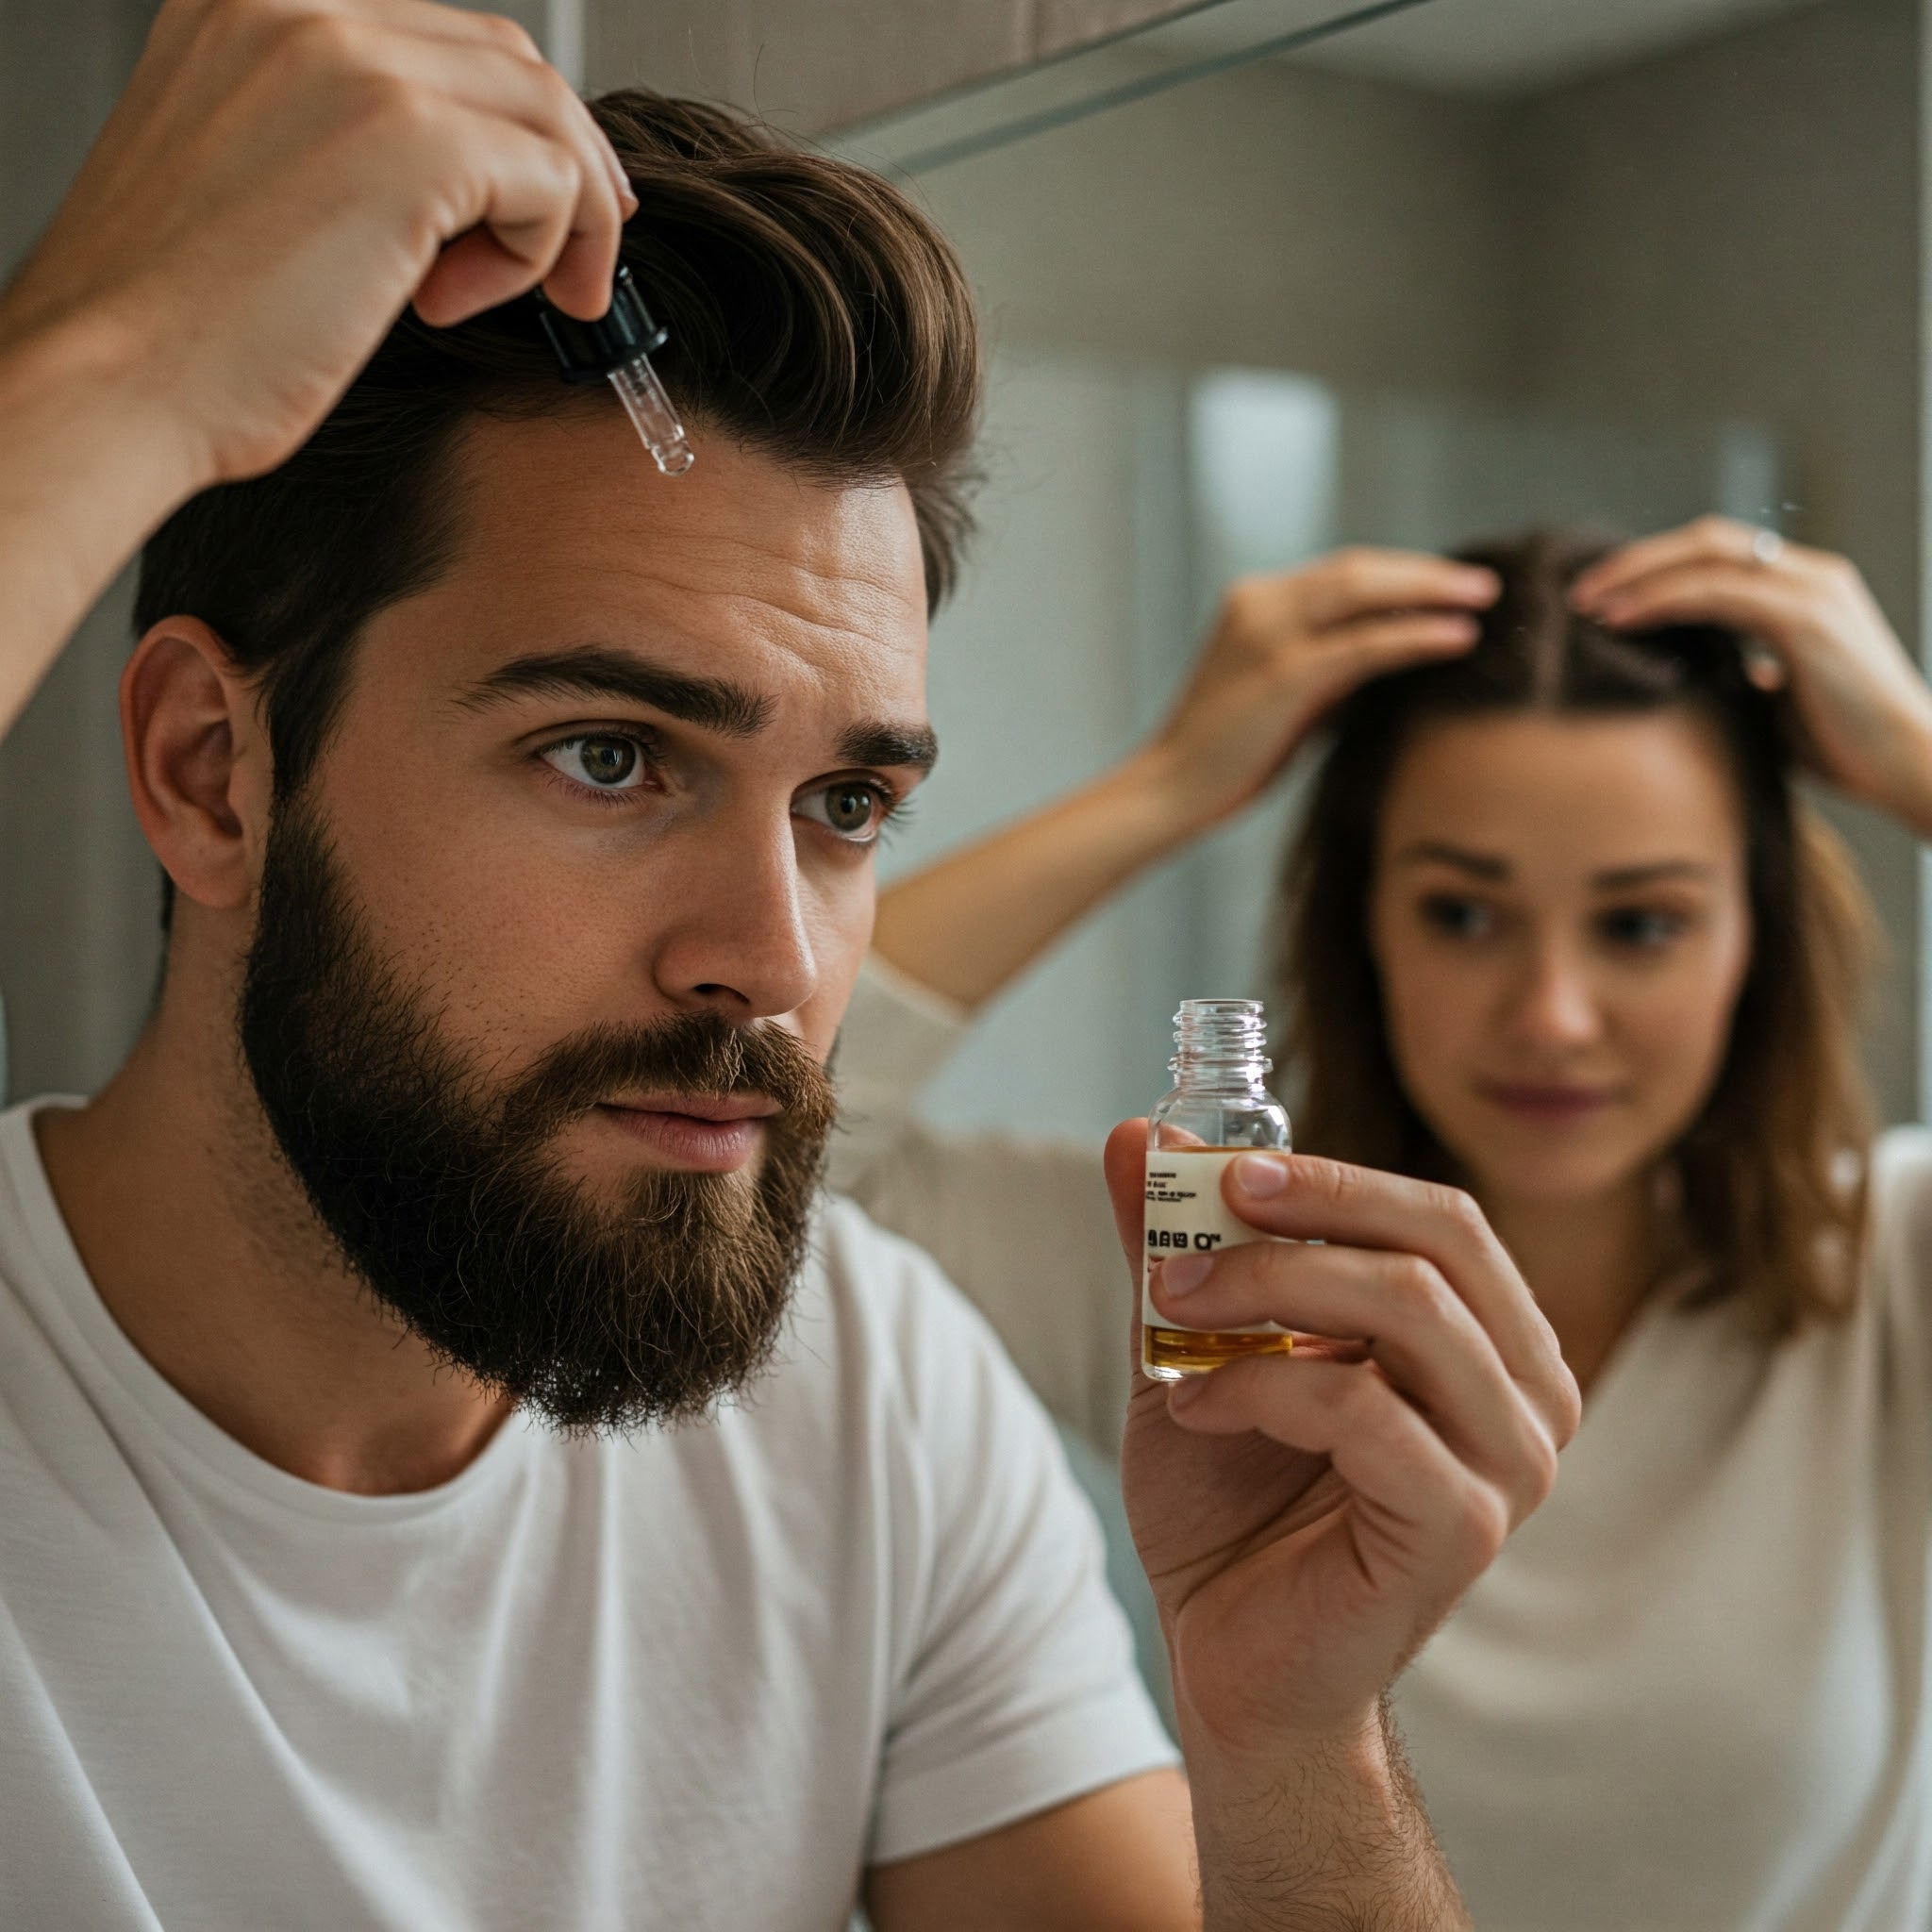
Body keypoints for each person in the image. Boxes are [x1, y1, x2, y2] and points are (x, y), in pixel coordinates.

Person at [0, 4, 1577, 1927]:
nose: (771, 960)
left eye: (844, 803)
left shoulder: (877, 1392)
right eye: (611, 756)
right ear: (208, 773)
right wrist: (104, 371)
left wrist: (1295, 1743)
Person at [845, 521, 1932, 1929]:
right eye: (1464, 914)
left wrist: (1914, 756)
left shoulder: (1895, 1274)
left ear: (1758, 942)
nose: (1552, 1013)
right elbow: (760, 1154)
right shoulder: (1213, 1277)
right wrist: (1168, 785)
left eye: (1643, 925)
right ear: (1364, 929)